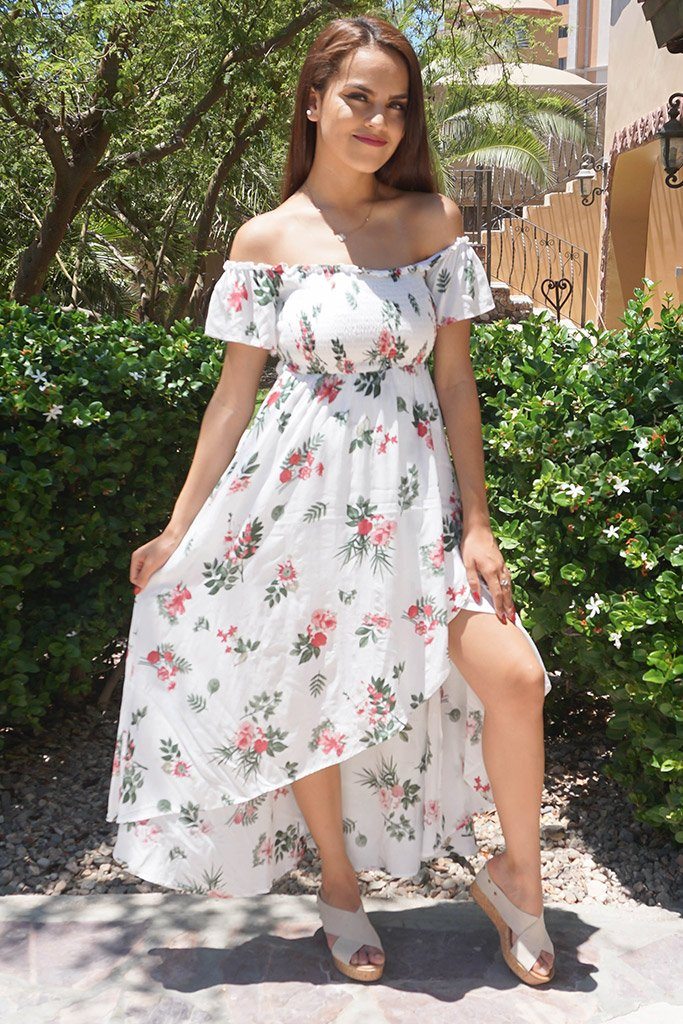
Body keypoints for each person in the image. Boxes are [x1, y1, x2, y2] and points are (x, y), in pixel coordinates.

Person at [106, 14, 555, 987]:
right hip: (302, 505)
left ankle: (517, 877)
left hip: (418, 509)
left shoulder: (429, 220)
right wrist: (181, 526)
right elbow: (235, 397)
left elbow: (454, 385)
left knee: (513, 676)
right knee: (307, 700)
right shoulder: (267, 237)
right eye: (357, 98)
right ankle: (339, 888)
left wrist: (477, 524)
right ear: (312, 103)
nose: (378, 122)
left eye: (395, 106)